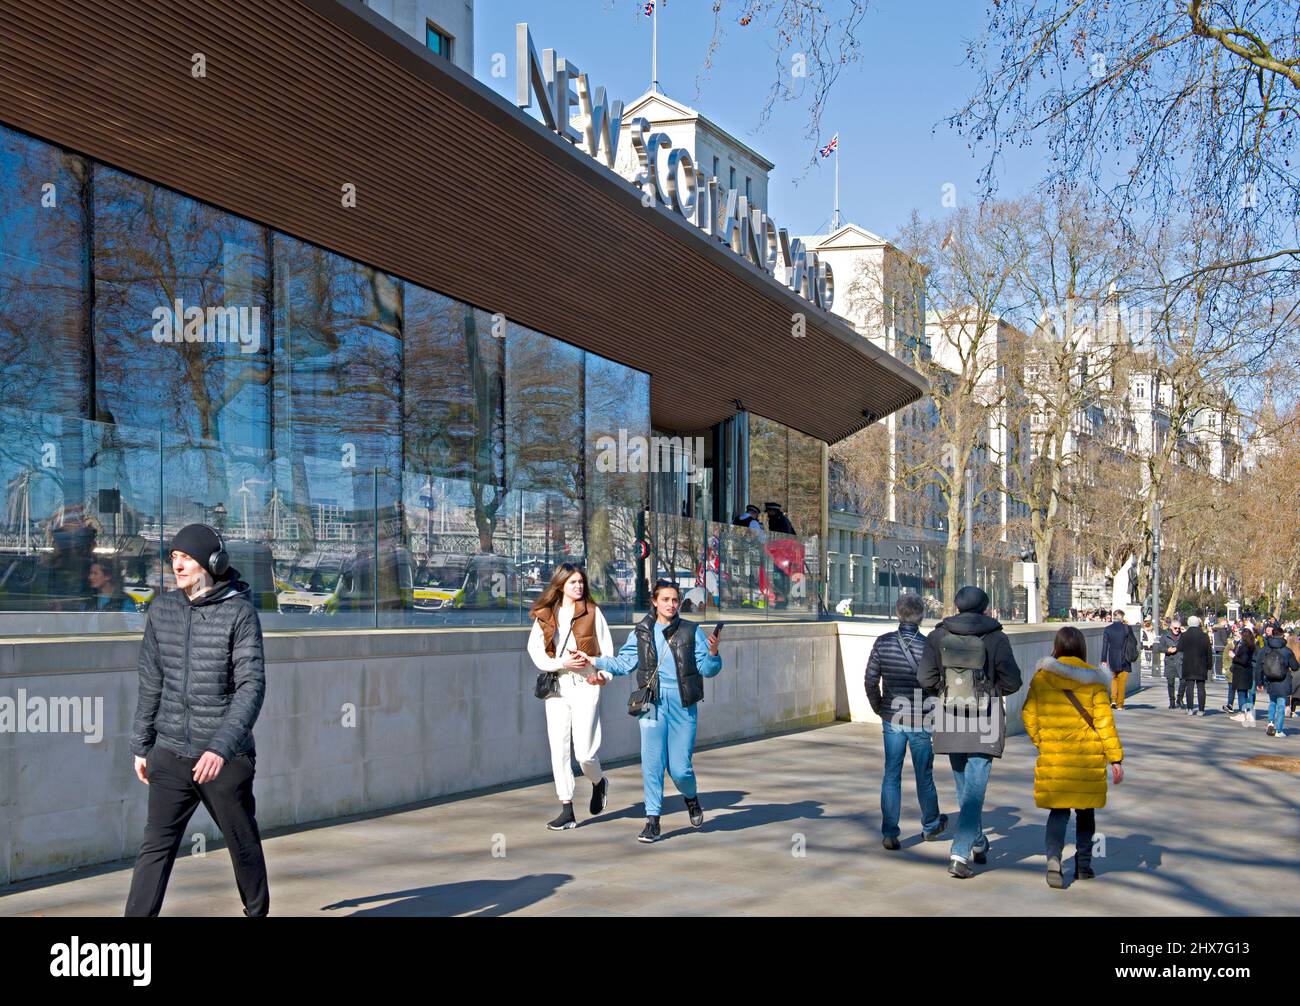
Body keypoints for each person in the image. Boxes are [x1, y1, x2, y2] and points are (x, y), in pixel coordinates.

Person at [126, 524, 268, 917]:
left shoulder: (239, 613)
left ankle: (256, 913)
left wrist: (221, 748)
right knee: (155, 846)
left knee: (242, 843)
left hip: (223, 758)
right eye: (173, 557)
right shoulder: (162, 610)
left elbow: (251, 687)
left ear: (212, 562)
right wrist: (141, 745)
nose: (178, 565)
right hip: (170, 751)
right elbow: (151, 681)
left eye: (185, 557)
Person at [584, 580, 722, 843]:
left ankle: (691, 798)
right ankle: (652, 820)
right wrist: (594, 660)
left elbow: (708, 670)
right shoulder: (642, 631)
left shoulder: (692, 631)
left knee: (681, 769)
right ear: (655, 602)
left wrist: (713, 653)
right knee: (652, 763)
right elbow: (624, 663)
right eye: (666, 599)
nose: (671, 604)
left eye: (675, 600)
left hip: (683, 704)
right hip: (651, 703)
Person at [916, 585, 1023, 879]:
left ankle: (978, 841)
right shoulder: (997, 637)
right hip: (984, 719)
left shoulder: (937, 636)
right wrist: (993, 688)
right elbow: (1013, 681)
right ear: (984, 607)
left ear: (957, 605)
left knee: (966, 787)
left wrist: (945, 691)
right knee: (974, 790)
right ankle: (960, 854)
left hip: (950, 718)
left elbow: (925, 677)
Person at [1022, 626, 1123, 888]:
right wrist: (1115, 758)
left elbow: (1028, 714)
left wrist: (1041, 740)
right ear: (1081, 648)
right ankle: (1083, 865)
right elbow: (1104, 723)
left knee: (1058, 811)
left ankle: (1054, 860)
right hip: (1087, 758)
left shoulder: (1042, 678)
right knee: (1086, 812)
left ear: (1057, 646)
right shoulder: (1094, 680)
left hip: (1055, 755)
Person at [526, 563, 614, 831]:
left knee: (585, 753)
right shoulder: (546, 614)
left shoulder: (592, 612)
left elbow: (608, 650)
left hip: (586, 685)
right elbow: (535, 651)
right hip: (558, 687)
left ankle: (599, 782)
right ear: (561, 584)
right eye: (573, 582)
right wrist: (561, 663)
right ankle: (567, 809)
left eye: (581, 582)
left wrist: (603, 676)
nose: (579, 586)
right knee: (559, 749)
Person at [864, 594, 947, 851]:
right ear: (921, 617)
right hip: (920, 719)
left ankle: (890, 832)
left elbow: (870, 680)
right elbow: (938, 685)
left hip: (892, 717)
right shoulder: (929, 647)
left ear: (898, 614)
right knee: (924, 775)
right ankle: (931, 824)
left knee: (891, 774)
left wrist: (880, 707)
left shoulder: (883, 643)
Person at [1258, 624, 1299, 737]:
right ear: (1282, 636)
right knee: (1281, 704)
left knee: (1272, 702)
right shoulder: (1287, 651)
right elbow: (1295, 666)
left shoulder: (1266, 649)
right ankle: (1279, 730)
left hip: (1271, 680)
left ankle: (1270, 722)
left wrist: (1259, 682)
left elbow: (1259, 666)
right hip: (1283, 680)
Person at [1099, 609, 1137, 711]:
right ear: (1122, 617)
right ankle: (1120, 704)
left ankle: (1113, 700)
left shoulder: (1108, 629)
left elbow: (1105, 645)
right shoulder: (1127, 628)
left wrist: (1103, 659)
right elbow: (1134, 642)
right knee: (1122, 681)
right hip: (1125, 657)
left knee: (1114, 679)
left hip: (1112, 657)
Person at [1175, 615, 1213, 716]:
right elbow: (1209, 652)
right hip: (1201, 665)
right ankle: (1201, 709)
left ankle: (1190, 708)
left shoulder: (1185, 635)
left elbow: (1179, 647)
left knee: (1189, 687)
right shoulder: (1204, 636)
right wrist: (1209, 665)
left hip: (1189, 664)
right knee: (1201, 688)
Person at [1228, 627, 1257, 726]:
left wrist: (1234, 657)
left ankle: (1242, 712)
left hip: (1242, 673)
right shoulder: (1249, 645)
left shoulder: (1244, 646)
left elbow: (1243, 661)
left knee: (1241, 693)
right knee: (1245, 693)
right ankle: (1248, 713)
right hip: (1245, 672)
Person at [1161, 620, 1183, 708]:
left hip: (1181, 661)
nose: (1177, 630)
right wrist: (1167, 650)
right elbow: (1159, 647)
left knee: (1183, 681)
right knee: (1170, 682)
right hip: (1170, 661)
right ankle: (1172, 701)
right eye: (1175, 628)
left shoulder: (1183, 636)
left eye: (1179, 628)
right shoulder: (1165, 636)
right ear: (1171, 627)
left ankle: (1180, 699)